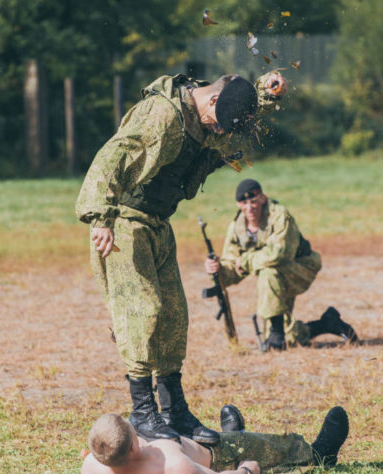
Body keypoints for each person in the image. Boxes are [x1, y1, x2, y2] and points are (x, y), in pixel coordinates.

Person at [75, 71, 288, 444]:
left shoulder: (211, 110)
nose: (220, 134)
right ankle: (143, 412)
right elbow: (113, 155)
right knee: (144, 311)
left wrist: (265, 95)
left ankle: (175, 411)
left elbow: (235, 109)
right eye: (217, 125)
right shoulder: (163, 114)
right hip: (124, 223)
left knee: (174, 316)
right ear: (209, 102)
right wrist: (100, 216)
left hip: (158, 224)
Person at [204, 179, 358, 350]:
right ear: (238, 204)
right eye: (244, 203)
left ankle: (276, 334)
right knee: (291, 337)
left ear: (263, 198)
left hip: (301, 266)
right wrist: (217, 270)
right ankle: (328, 323)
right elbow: (233, 268)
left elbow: (280, 254)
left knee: (268, 271)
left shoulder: (280, 215)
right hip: (274, 276)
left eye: (254, 201)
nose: (250, 207)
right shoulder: (237, 228)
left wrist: (246, 260)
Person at [80, 405, 349, 474]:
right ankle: (317, 453)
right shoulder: (176, 471)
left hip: (188, 442)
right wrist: (245, 471)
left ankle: (229, 433)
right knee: (271, 447)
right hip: (218, 457)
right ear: (133, 449)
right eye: (134, 432)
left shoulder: (93, 467)